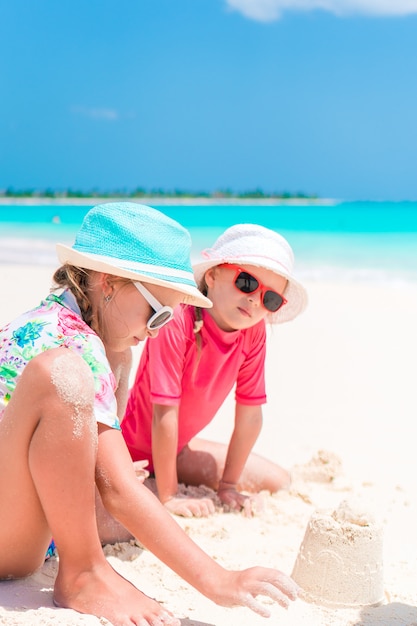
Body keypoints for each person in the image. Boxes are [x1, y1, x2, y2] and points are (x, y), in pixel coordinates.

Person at [0, 203, 299, 626]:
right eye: (156, 312)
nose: (156, 331)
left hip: (17, 506)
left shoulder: (68, 324)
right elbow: (119, 491)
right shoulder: (73, 345)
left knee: (114, 359)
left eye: (169, 318)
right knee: (61, 375)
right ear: (108, 283)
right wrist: (219, 581)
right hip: (8, 534)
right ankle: (84, 573)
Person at [122, 223, 308, 518]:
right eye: (247, 283)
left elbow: (250, 415)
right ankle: (161, 484)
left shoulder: (253, 332)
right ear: (212, 274)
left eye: (269, 299)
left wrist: (229, 485)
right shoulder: (178, 317)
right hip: (128, 451)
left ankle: (172, 477)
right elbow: (163, 414)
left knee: (279, 481)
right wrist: (170, 495)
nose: (254, 300)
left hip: (177, 449)